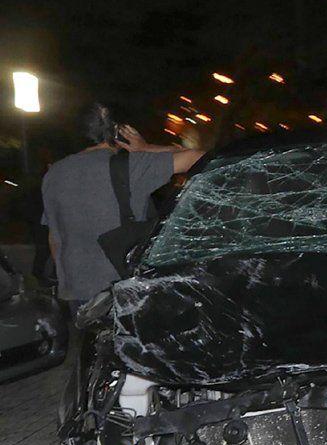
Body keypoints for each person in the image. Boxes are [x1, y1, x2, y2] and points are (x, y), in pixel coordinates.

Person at [41, 105, 205, 311]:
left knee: (92, 342)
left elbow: (54, 236)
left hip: (77, 290)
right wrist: (147, 147)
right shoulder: (132, 165)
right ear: (118, 131)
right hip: (123, 288)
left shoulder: (54, 173)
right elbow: (201, 157)